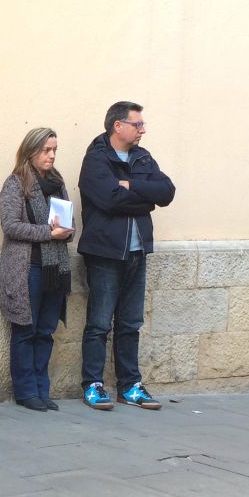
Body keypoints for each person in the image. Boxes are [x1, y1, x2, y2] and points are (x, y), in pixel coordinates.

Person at [78, 101, 175, 410]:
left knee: (131, 323)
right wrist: (145, 200)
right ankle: (92, 384)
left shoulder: (142, 157)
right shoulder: (96, 159)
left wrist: (130, 184)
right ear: (118, 126)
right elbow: (109, 200)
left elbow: (166, 191)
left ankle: (130, 386)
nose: (143, 129)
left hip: (137, 252)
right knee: (99, 323)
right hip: (105, 252)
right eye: (138, 124)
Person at [0, 127, 72, 412]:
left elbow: (65, 221)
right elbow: (10, 225)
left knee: (45, 331)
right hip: (28, 268)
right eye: (46, 150)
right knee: (25, 331)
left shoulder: (57, 182)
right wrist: (47, 233)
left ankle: (42, 389)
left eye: (54, 149)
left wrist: (67, 232)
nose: (51, 155)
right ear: (30, 151)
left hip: (56, 269)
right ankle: (26, 391)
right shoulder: (16, 183)